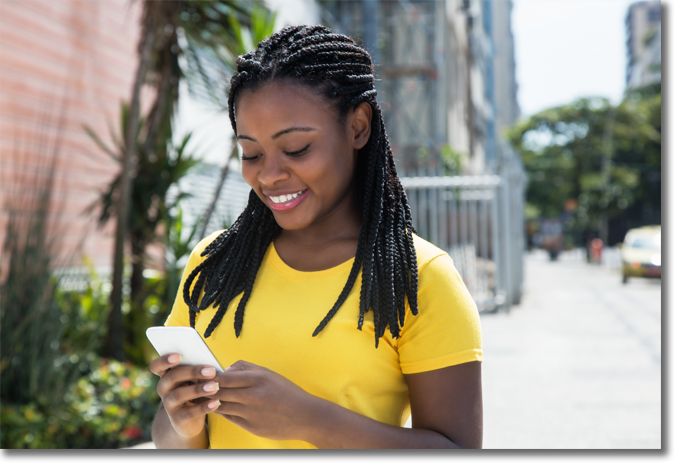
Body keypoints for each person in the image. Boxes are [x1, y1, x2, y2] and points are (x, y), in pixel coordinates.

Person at [149, 25, 483, 449]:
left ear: (358, 127)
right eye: (251, 153)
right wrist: (181, 422)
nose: (268, 174)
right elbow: (168, 437)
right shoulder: (214, 263)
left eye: (297, 149)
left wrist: (312, 422)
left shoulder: (420, 277)